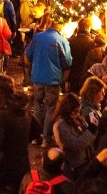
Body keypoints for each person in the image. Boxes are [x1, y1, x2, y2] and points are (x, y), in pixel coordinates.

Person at [26, 17, 71, 146]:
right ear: (60, 28)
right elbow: (67, 62)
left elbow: (28, 55)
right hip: (53, 79)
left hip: (37, 78)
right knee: (51, 108)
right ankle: (46, 138)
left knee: (38, 105)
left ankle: (36, 136)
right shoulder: (62, 41)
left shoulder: (37, 38)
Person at [51, 94, 95, 180]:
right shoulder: (60, 125)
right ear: (67, 110)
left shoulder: (77, 118)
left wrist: (92, 127)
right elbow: (75, 145)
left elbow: (87, 135)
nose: (78, 114)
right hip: (74, 165)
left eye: (79, 110)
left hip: (86, 160)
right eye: (75, 111)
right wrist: (91, 131)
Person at [67, 20, 98, 94]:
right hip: (86, 75)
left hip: (73, 75)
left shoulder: (70, 41)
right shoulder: (92, 43)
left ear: (78, 27)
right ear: (88, 28)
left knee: (73, 98)